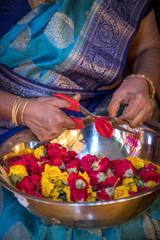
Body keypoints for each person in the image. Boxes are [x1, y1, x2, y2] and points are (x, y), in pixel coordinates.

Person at [0, 0, 160, 239]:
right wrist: (21, 110)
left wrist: (142, 81)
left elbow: (149, 46)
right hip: (9, 125)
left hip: (105, 119)